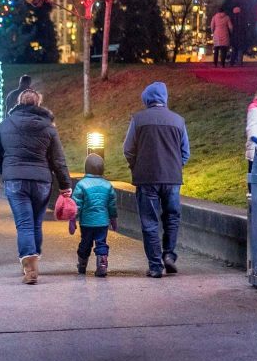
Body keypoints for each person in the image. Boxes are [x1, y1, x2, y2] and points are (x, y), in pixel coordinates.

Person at [0, 89, 71, 285]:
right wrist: (65, 185)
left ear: (19, 102)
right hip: (41, 180)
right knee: (35, 222)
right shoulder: (49, 127)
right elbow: (58, 160)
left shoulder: (6, 124)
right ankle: (34, 257)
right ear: (38, 104)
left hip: (15, 180)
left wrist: (6, 171)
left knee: (24, 223)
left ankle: (29, 264)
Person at [123, 82, 190, 278]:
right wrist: (175, 166)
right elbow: (185, 152)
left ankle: (155, 266)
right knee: (171, 218)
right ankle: (168, 254)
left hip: (146, 178)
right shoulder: (178, 121)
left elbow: (128, 149)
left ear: (147, 99)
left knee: (149, 222)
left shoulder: (138, 119)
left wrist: (136, 166)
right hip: (172, 179)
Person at [71, 154, 118, 278]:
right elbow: (112, 205)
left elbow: (76, 205)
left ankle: (82, 265)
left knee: (85, 243)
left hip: (86, 222)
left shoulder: (81, 185)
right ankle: (102, 265)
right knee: (101, 242)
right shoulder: (108, 185)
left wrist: (72, 220)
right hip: (102, 222)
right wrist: (113, 219)